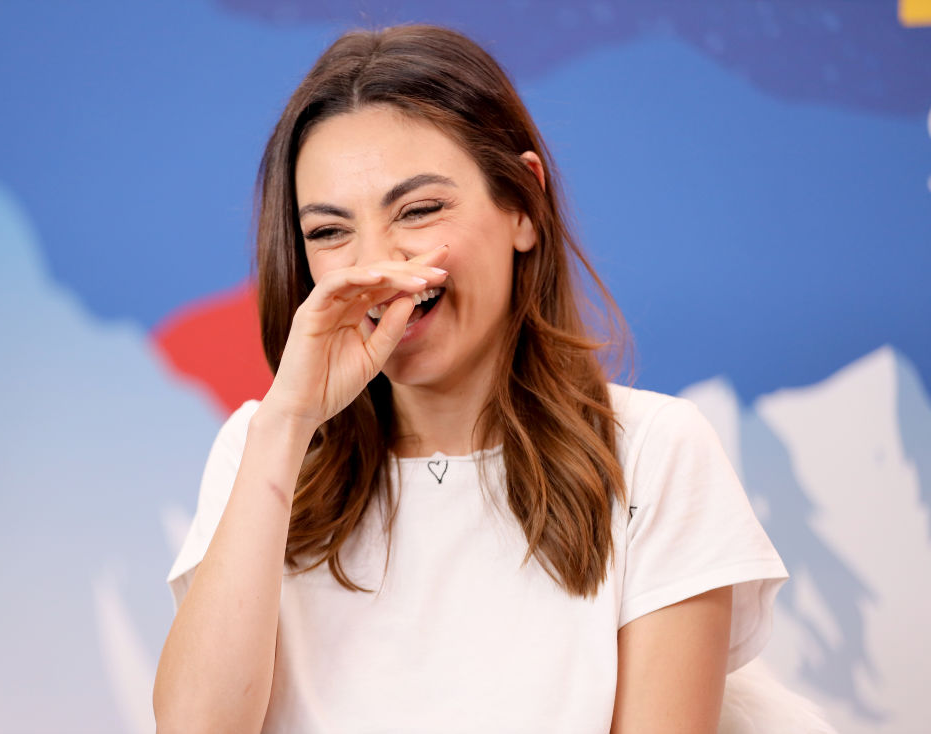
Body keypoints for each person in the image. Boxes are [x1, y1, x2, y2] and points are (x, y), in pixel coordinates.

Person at [153, 24, 788, 734]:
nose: (377, 268)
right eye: (330, 232)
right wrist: (287, 423)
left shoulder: (653, 452)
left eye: (419, 211)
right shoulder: (262, 449)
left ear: (523, 207)